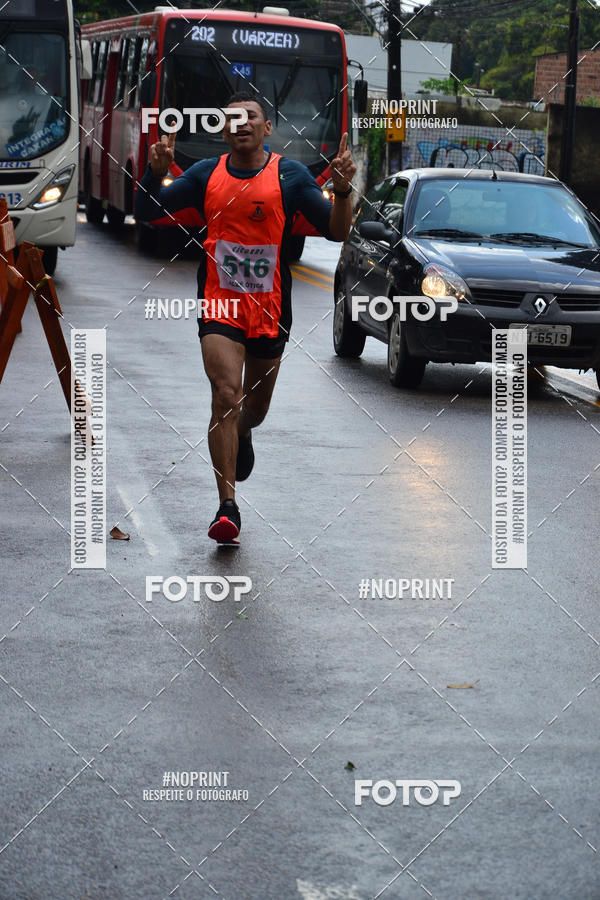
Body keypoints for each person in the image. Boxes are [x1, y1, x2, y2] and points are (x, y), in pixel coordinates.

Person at [135, 91, 356, 543]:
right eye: (231, 117)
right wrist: (153, 175)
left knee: (252, 409)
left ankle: (244, 431)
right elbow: (146, 212)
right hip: (219, 304)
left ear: (266, 128)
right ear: (223, 129)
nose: (240, 123)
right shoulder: (205, 174)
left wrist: (343, 190)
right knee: (224, 394)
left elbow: (337, 232)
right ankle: (227, 507)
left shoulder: (290, 176)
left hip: (270, 309)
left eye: (249, 116)